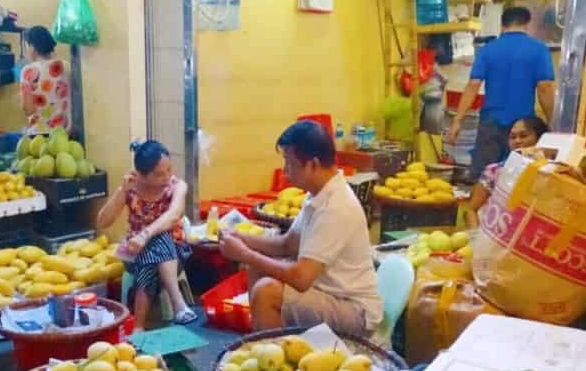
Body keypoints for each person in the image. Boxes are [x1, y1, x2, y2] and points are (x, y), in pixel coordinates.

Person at [219, 120, 383, 335]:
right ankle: (263, 345)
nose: (285, 170)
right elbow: (287, 244)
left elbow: (301, 278)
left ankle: (274, 360)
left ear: (313, 164)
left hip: (354, 310)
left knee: (266, 292)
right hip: (327, 293)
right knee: (258, 269)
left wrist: (245, 254)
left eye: (289, 162)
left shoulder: (336, 207)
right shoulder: (317, 194)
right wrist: (240, 237)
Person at [96, 141, 197, 330]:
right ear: (142, 175)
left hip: (175, 253)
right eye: (159, 174)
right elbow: (102, 221)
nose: (167, 176)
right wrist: (121, 191)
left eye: (169, 170)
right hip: (134, 253)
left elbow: (173, 215)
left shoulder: (177, 186)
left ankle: (139, 326)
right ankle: (179, 306)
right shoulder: (131, 188)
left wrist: (145, 234)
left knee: (159, 238)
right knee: (149, 255)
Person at [447, 6, 555, 180]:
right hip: (523, 128)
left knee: (483, 177)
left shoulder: (488, 49)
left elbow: (473, 85)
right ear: (527, 24)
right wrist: (552, 121)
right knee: (518, 177)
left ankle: (478, 208)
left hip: (491, 122)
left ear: (502, 25)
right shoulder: (539, 49)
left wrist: (457, 121)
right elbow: (545, 87)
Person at [465, 116, 547, 229]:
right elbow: (472, 211)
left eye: (523, 136)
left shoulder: (549, 173)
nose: (517, 141)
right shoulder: (495, 171)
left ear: (540, 140)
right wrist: (476, 239)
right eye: (512, 137)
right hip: (493, 238)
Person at [21, 26, 71, 132]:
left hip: (40, 136)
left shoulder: (28, 71)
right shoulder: (67, 66)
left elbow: (28, 110)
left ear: (32, 47)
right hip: (66, 132)